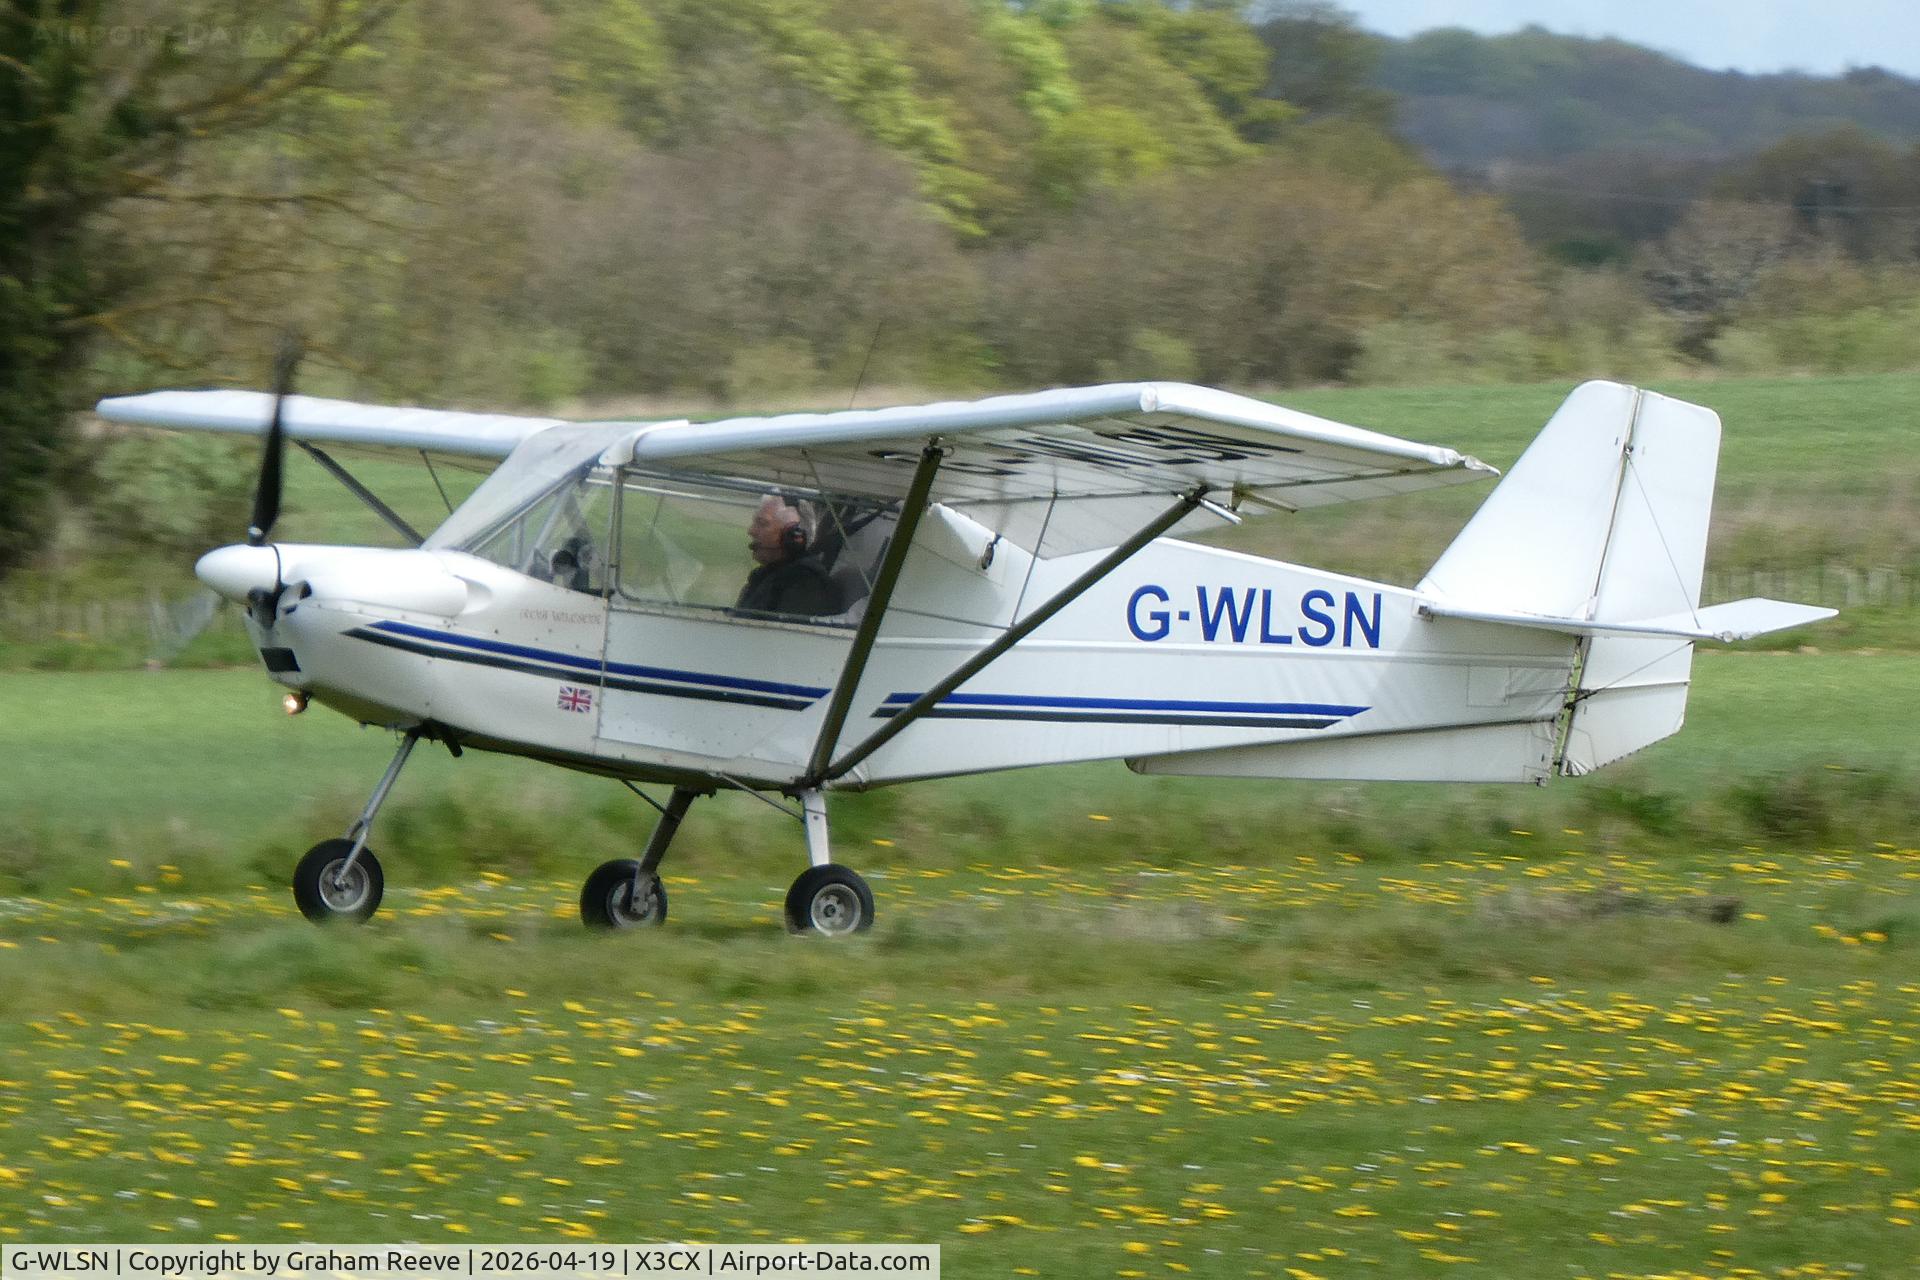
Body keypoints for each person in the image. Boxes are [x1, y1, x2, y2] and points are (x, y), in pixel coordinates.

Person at [735, 495, 842, 618]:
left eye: (762, 523)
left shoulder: (805, 587)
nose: (751, 531)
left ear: (794, 537)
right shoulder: (768, 576)